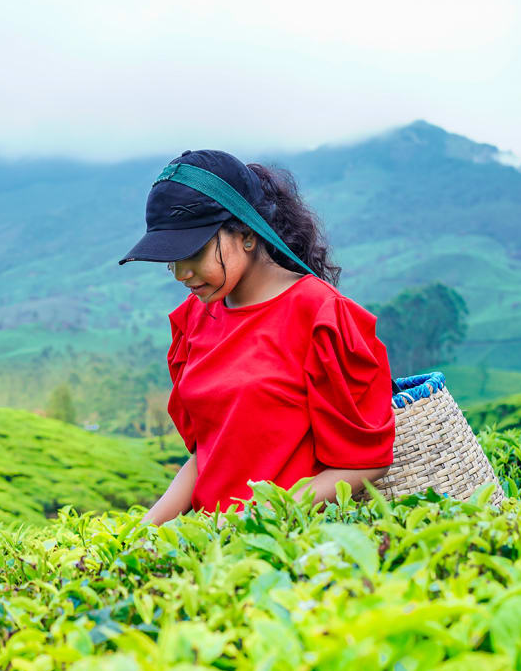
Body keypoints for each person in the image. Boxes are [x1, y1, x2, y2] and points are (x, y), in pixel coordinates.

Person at [118, 149, 395, 523]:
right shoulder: (193, 319)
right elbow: (209, 455)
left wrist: (255, 518)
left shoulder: (319, 315)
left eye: (193, 252)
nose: (181, 273)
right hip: (213, 550)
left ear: (246, 234)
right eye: (170, 259)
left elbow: (364, 463)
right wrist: (140, 533)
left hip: (288, 546)